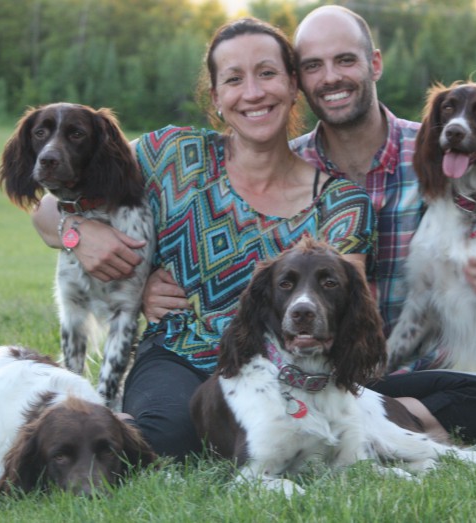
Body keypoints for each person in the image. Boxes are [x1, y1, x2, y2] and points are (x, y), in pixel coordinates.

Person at [143, 6, 476, 442]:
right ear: (300, 80)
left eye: (346, 60)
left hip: (385, 365)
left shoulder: (442, 153)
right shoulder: (284, 161)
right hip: (303, 363)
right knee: (178, 427)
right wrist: (87, 238)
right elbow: (93, 183)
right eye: (314, 65)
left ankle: (356, 433)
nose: (331, 77)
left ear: (374, 63)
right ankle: (369, 435)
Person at [31, 18, 376, 460]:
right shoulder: (171, 154)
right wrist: (79, 233)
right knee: (162, 441)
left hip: (286, 369)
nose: (252, 93)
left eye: (267, 74)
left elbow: (346, 312)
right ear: (216, 97)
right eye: (234, 79)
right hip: (179, 355)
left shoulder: (341, 201)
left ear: (294, 86)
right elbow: (45, 212)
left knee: (473, 398)